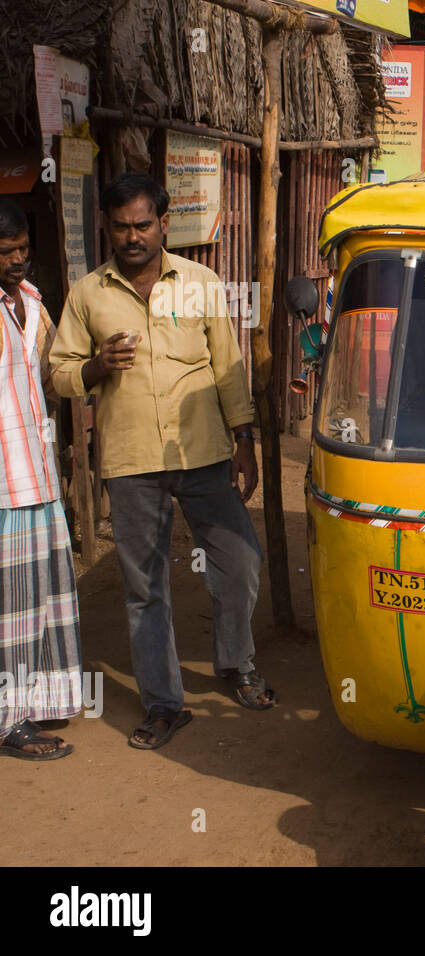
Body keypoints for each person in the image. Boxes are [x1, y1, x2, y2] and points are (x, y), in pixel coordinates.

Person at [49, 174, 275, 751]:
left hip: (202, 452)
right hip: (130, 461)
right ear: (107, 226)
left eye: (143, 224)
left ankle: (236, 663)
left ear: (164, 224)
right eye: (121, 225)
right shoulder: (86, 294)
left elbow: (227, 366)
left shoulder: (200, 283)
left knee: (241, 562)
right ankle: (164, 704)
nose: (132, 236)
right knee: (145, 589)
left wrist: (243, 437)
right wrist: (96, 367)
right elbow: (58, 372)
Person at [0, 198, 83, 760]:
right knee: (9, 607)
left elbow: (54, 380)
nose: (18, 259)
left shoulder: (33, 303)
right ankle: (9, 721)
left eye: (24, 248)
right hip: (4, 485)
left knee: (42, 598)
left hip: (40, 475)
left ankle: (38, 700)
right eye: (6, 252)